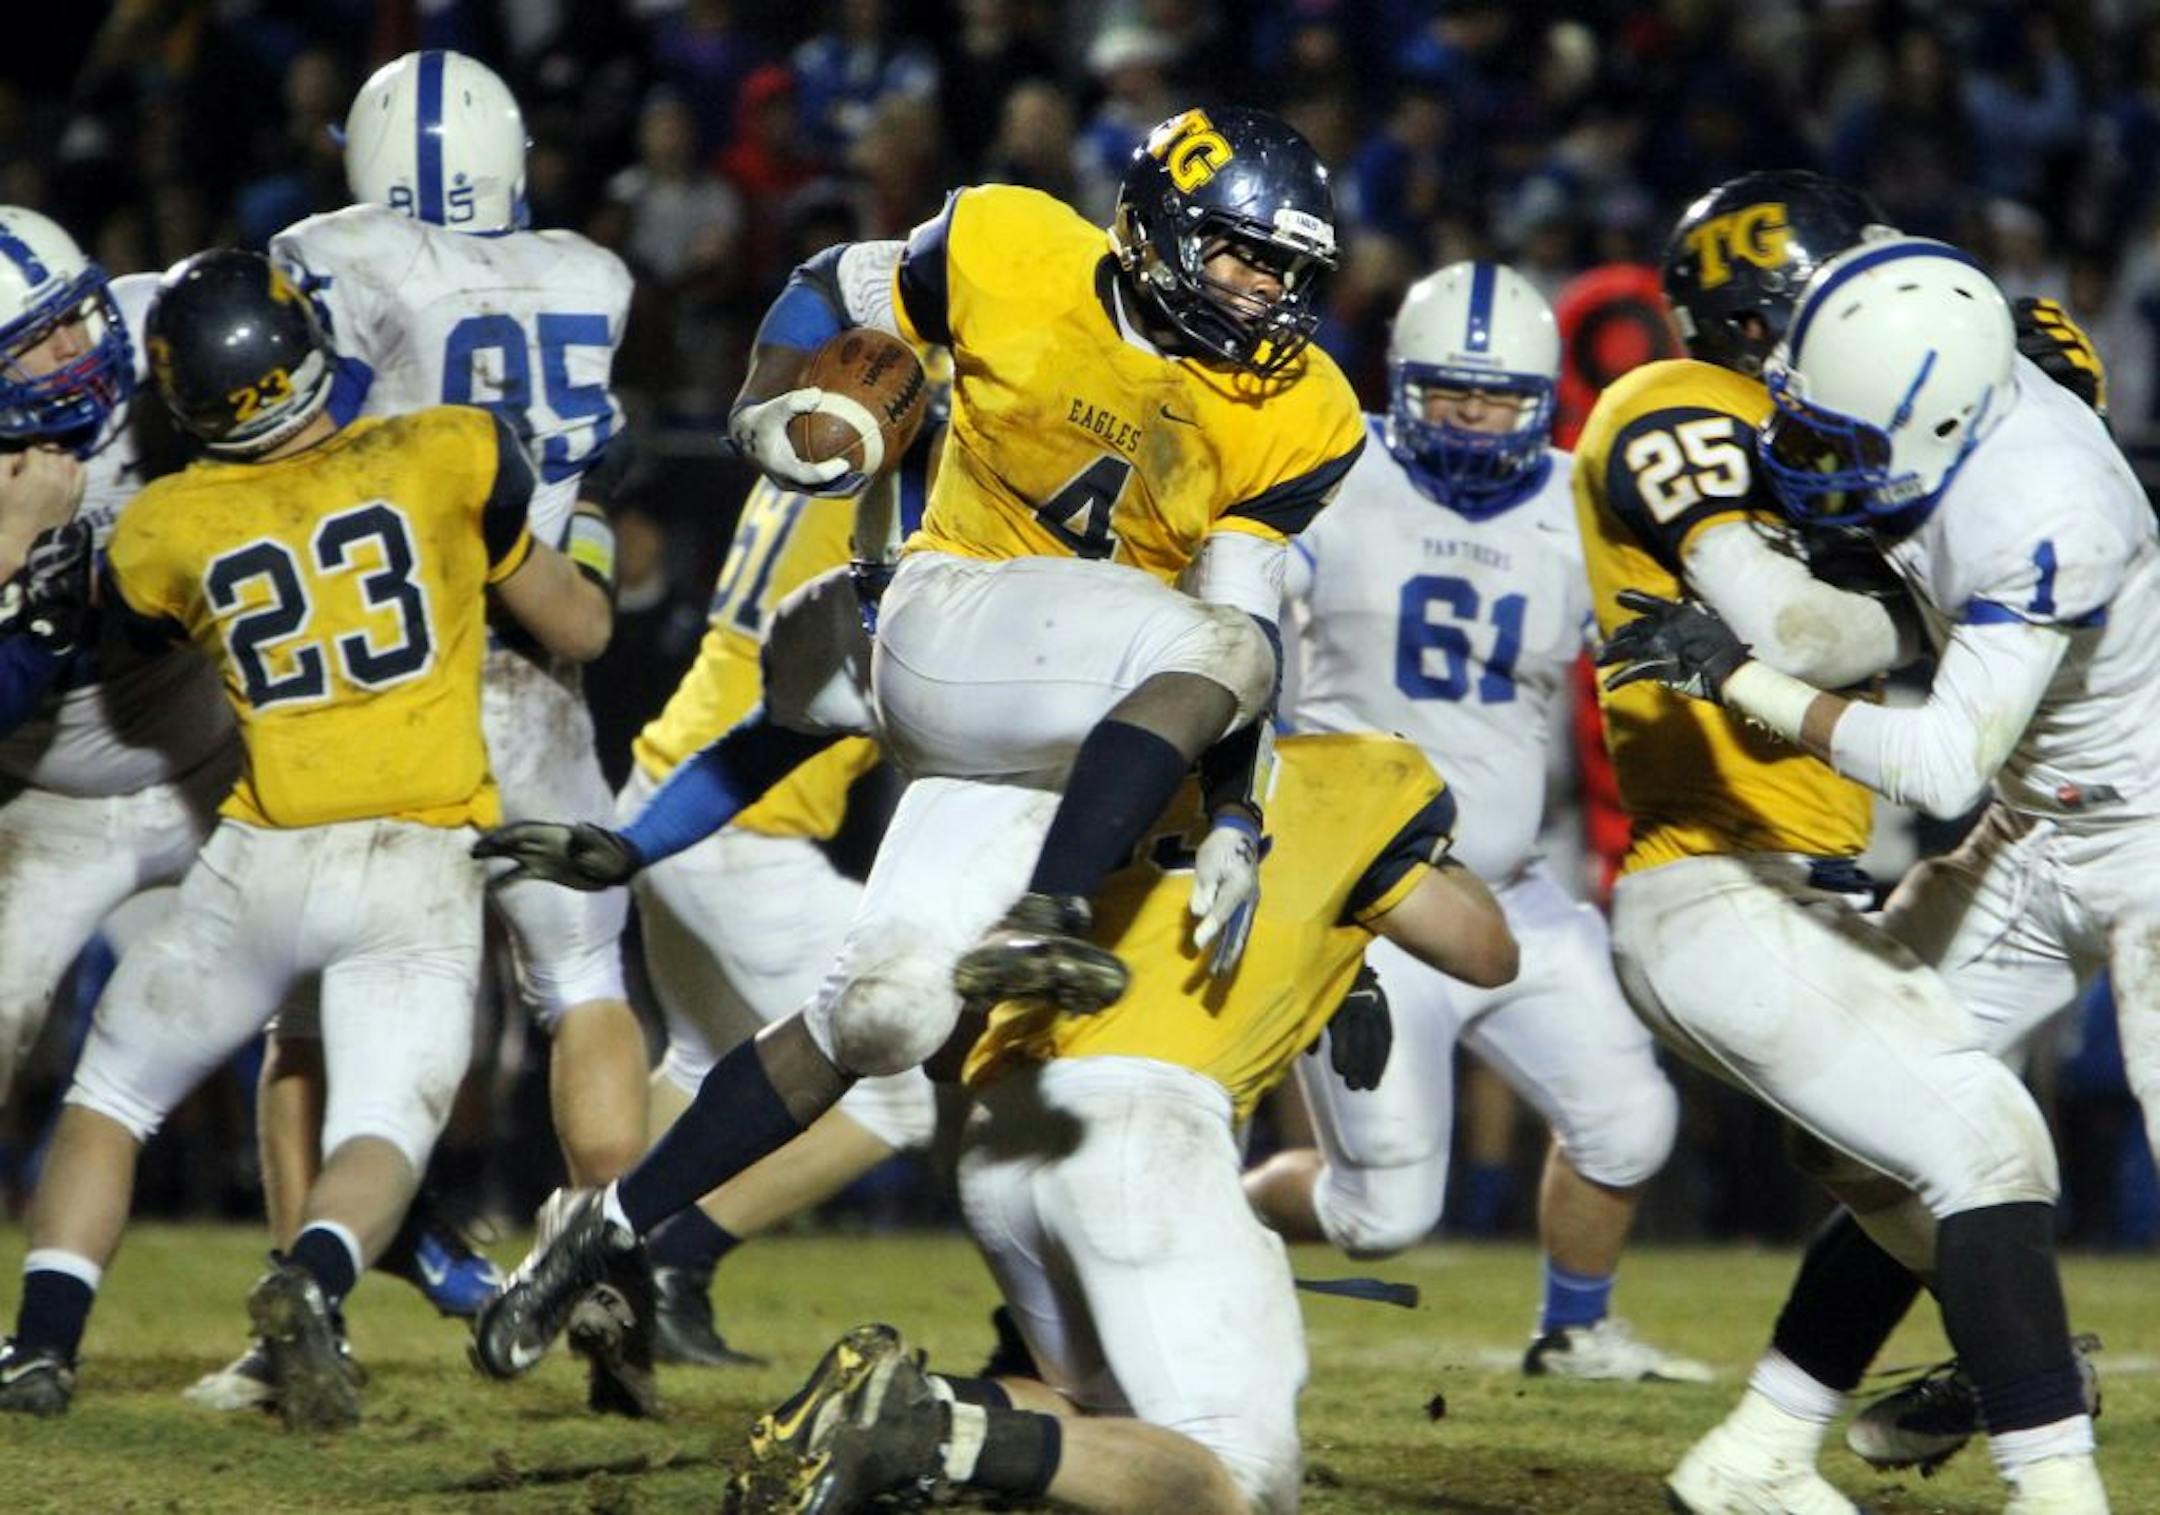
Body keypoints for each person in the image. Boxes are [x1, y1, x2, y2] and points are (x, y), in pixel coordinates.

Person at [469, 104, 1365, 1379]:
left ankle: (596, 1234)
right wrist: (759, 408)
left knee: (880, 1021)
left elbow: (1233, 605)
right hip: (950, 616)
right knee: (1218, 651)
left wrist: (1231, 809)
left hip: (1063, 735)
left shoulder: (1298, 410)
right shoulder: (1013, 243)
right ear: (1160, 224)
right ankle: (1047, 915)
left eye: (1287, 268)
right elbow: (822, 283)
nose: (1266, 290)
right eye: (1240, 255)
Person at [0, 249, 605, 1429]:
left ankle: (41, 1346)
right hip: (419, 861)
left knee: (113, 1098)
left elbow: (130, 640)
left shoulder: (164, 524)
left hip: (261, 848)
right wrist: (576, 561)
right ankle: (313, 1279)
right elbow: (576, 623)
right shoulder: (447, 451)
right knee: (382, 1126)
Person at [1581, 177, 2102, 1514]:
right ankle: (2056, 1483)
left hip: (1814, 894)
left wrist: (2005, 421)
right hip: (1711, 880)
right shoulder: (1679, 403)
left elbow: (1897, 623)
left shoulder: (1847, 434)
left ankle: (1755, 1450)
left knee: (1921, 1166)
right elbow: (1799, 631)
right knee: (1986, 1145)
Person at [732, 731, 1517, 1515]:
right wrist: (1373, 925)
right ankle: (919, 1434)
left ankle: (888, 1409)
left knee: (1109, 1416)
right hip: (1145, 1126)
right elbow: (1485, 952)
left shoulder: (1073, 790)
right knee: (1242, 1481)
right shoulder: (1352, 770)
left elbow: (948, 1051)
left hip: (1002, 1131)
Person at [237, 49, 647, 1411]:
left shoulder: (328, 251)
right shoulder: (591, 274)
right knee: (582, 979)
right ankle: (603, 1246)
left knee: (307, 1009)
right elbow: (592, 467)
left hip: (386, 667)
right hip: (536, 661)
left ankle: (300, 1311)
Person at [1240, 260, 1701, 1383]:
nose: (1474, 417)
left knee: (1630, 1121)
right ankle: (1208, 1214)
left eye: (1498, 398)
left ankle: (1576, 1329)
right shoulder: (1332, 465)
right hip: (1370, 901)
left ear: (1542, 401)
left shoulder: (1578, 502)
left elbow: (1660, 651)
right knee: (1381, 1215)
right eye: (1449, 392)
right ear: (1402, 383)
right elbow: (1230, 603)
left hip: (1518, 887)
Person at [619, 391, 948, 1365]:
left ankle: (585, 1258)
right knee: (900, 1094)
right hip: (742, 822)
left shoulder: (826, 426)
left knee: (699, 1060)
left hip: (667, 778)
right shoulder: (920, 451)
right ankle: (673, 1261)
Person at [0, 206, 233, 1110]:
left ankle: (347, 1238)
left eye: (73, 316)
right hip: (44, 805)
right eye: (38, 339)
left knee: (331, 992)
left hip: (211, 757)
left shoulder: (158, 333)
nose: (75, 347)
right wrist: (18, 542)